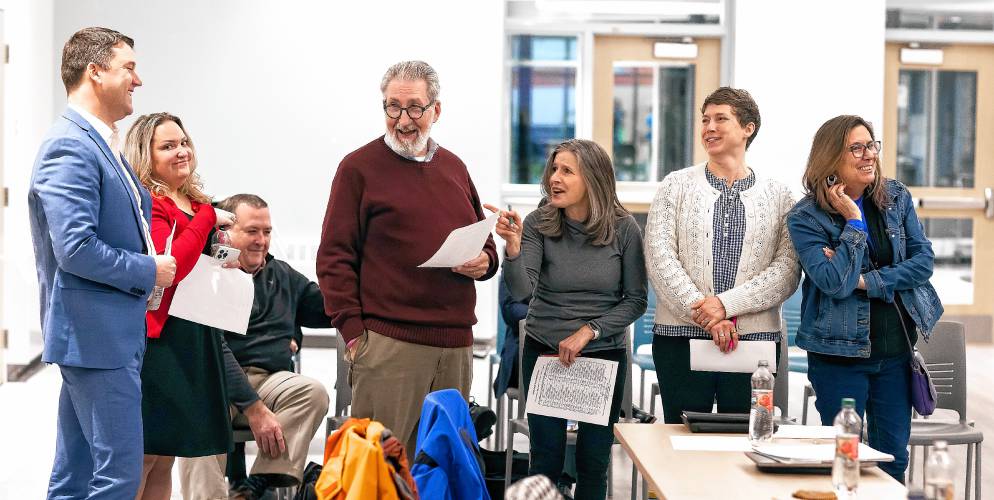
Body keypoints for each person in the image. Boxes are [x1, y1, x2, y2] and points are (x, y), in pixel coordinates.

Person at [317, 60, 498, 458]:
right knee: (382, 472)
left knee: (441, 470)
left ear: (436, 110)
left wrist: (485, 262)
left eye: (414, 107)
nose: (402, 120)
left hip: (454, 347)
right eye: (392, 107)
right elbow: (333, 256)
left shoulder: (454, 167)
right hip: (388, 347)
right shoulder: (357, 168)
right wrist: (353, 335)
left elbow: (485, 245)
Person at [28, 27, 176, 499]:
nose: (139, 80)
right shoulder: (70, 145)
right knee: (117, 476)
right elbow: (75, 248)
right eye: (128, 67)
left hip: (101, 336)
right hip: (96, 339)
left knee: (75, 476)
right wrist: (148, 271)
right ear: (95, 72)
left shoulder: (98, 140)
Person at [786, 115, 943, 482]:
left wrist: (867, 281)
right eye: (856, 147)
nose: (868, 154)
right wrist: (854, 222)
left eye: (871, 145)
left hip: (895, 353)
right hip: (838, 357)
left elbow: (923, 262)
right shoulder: (805, 218)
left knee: (893, 461)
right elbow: (834, 283)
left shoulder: (896, 198)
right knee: (846, 459)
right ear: (830, 159)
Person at [492, 138, 647, 500]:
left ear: (592, 179)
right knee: (544, 458)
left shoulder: (624, 229)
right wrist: (513, 248)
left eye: (566, 171)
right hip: (545, 352)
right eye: (553, 170)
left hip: (602, 353)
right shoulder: (538, 223)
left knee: (593, 462)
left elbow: (636, 300)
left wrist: (589, 331)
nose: (554, 179)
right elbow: (520, 292)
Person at [644, 87, 800, 424]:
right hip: (679, 338)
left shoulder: (779, 195)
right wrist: (711, 316)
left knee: (744, 442)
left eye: (720, 119)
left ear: (748, 128)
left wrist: (727, 306)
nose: (709, 127)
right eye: (705, 120)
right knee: (681, 436)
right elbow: (659, 257)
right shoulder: (675, 185)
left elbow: (787, 270)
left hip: (753, 342)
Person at [178, 194, 332, 500]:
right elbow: (212, 352)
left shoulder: (283, 275)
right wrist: (254, 407)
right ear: (225, 231)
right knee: (198, 408)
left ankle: (257, 485)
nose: (261, 241)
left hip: (270, 380)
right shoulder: (207, 275)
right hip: (217, 384)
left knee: (312, 392)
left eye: (267, 232)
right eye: (252, 231)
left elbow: (329, 308)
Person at [123, 112, 244, 500]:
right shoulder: (150, 202)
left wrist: (227, 253)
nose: (181, 151)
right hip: (159, 341)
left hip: (195, 334)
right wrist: (208, 216)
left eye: (183, 142)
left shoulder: (194, 201)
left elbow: (201, 257)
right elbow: (171, 265)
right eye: (168, 146)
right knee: (143, 456)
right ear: (147, 154)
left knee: (166, 456)